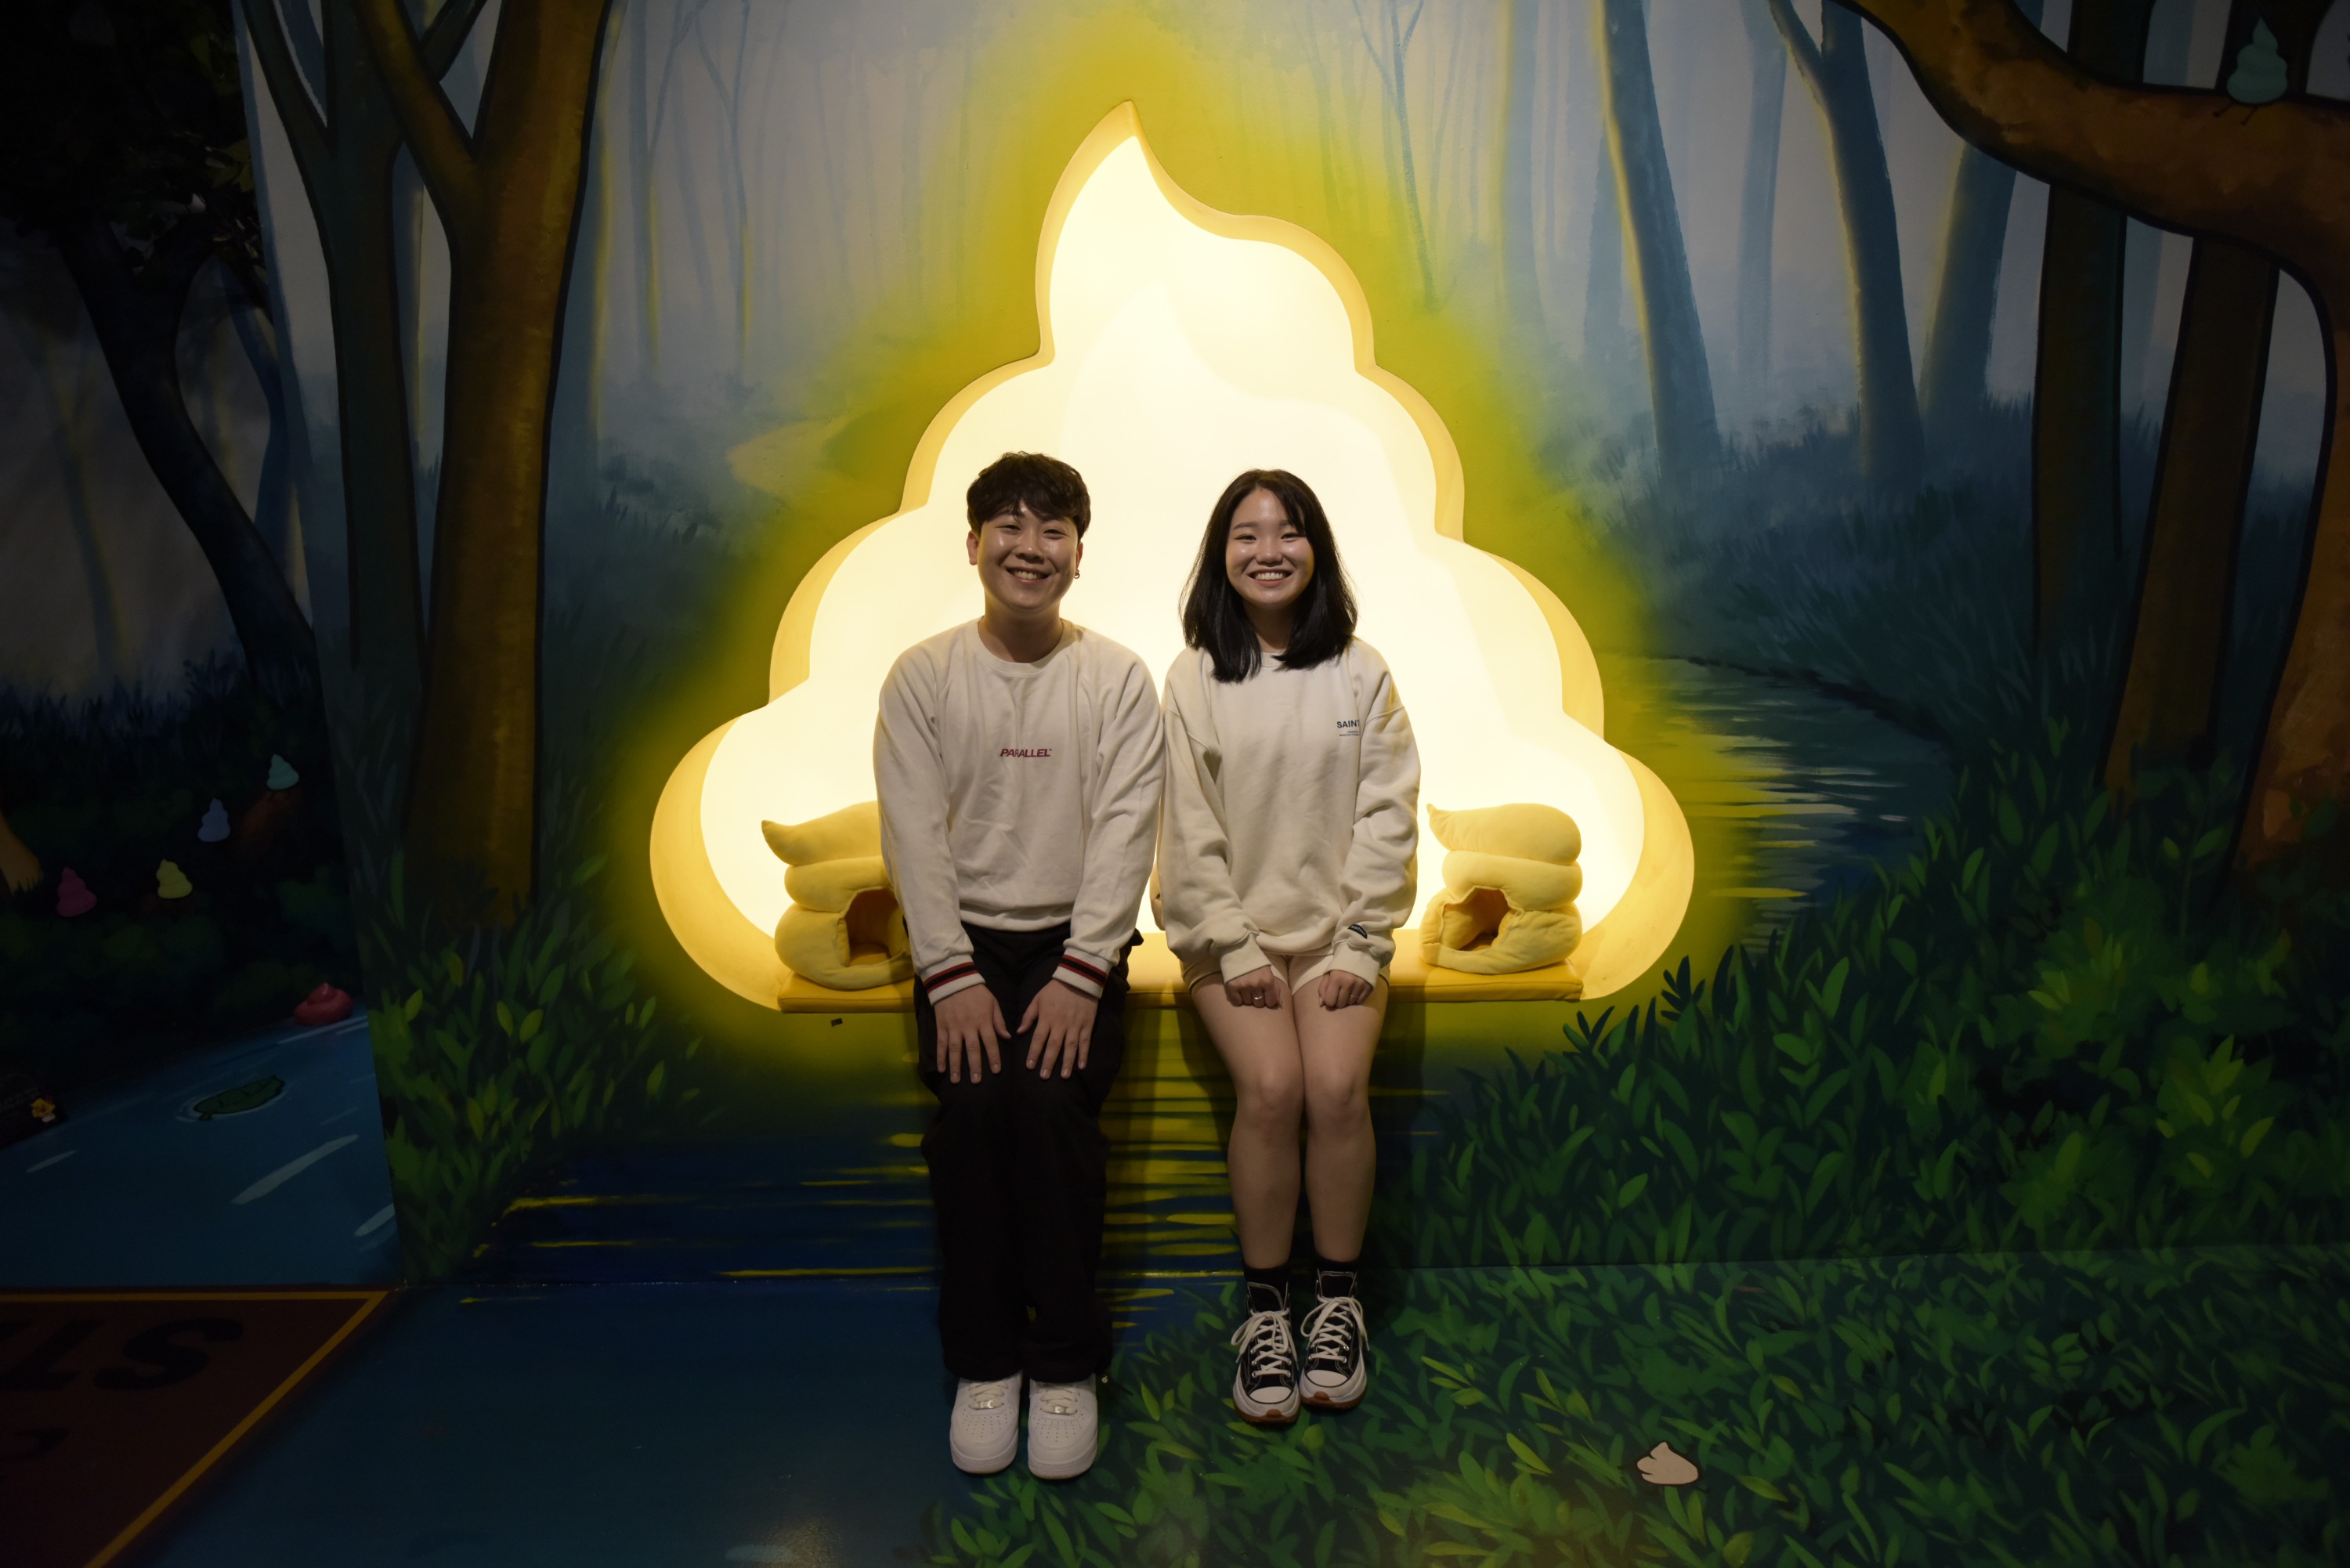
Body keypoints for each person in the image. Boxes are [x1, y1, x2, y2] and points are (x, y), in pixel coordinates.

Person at [875, 451, 1164, 1480]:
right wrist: (947, 971)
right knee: (973, 1116)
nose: (1029, 546)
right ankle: (985, 1361)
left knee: (1051, 1115)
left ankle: (1066, 1364)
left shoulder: (1117, 677)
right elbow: (911, 830)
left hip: (1074, 942)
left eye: (1052, 529)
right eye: (1008, 524)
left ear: (1079, 555)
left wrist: (1085, 970)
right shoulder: (923, 675)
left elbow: (1128, 828)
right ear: (972, 545)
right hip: (962, 944)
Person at [1155, 468, 1419, 1425]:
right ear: (1221, 556)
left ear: (1318, 551)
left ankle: (1337, 1304)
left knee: (1336, 1088)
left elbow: (1389, 812)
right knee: (1271, 1088)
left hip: (1339, 937)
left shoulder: (1361, 670)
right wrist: (1233, 947)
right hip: (1230, 936)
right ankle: (1266, 1314)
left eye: (1289, 530)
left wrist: (1360, 941)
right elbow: (1186, 830)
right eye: (1247, 533)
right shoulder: (1194, 676)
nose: (1269, 550)